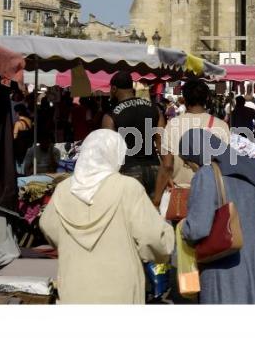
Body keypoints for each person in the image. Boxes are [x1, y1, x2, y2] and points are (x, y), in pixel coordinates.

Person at [40, 130, 174, 304]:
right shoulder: (128, 188)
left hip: (75, 286)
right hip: (120, 289)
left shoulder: (63, 189)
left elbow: (48, 226)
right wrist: (167, 243)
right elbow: (153, 238)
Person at [179, 129, 255, 304]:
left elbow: (197, 228)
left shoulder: (206, 174)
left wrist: (183, 227)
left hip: (227, 267)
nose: (190, 167)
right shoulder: (252, 168)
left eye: (187, 162)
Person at [153, 79, 230, 208]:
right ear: (207, 98)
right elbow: (225, 164)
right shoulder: (221, 125)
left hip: (178, 194)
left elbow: (167, 165)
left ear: (184, 98)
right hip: (210, 194)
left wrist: (156, 199)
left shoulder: (173, 124)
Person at [102, 71, 165, 196]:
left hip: (128, 171)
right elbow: (161, 143)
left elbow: (110, 152)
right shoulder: (155, 109)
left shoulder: (110, 116)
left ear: (114, 89)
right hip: (155, 169)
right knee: (154, 213)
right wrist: (167, 172)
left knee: (131, 214)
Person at [13, 104, 33, 174]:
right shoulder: (30, 121)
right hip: (27, 146)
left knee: (19, 167)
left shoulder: (18, 123)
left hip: (19, 148)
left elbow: (14, 137)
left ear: (18, 113)